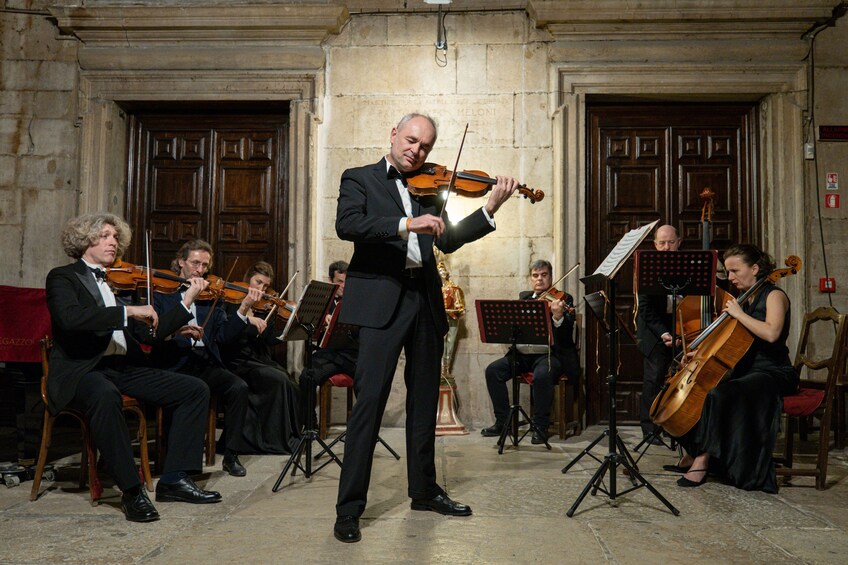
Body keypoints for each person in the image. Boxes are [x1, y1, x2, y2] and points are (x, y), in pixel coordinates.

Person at [332, 112, 518, 543]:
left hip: (424, 299)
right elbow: (348, 225)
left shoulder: (430, 186)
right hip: (381, 301)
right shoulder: (359, 178)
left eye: (426, 146)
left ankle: (423, 489)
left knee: (423, 405)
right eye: (412, 141)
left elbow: (447, 239)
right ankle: (349, 509)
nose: (417, 151)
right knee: (370, 404)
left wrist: (489, 208)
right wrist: (404, 223)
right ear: (393, 134)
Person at [45, 213, 220, 523]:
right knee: (105, 395)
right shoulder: (63, 277)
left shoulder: (117, 282)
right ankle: (131, 491)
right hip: (83, 370)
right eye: (105, 236)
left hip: (121, 367)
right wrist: (126, 312)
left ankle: (175, 479)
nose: (114, 242)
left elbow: (149, 332)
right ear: (86, 240)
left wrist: (187, 300)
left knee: (194, 389)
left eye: (116, 237)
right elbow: (71, 319)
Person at [670, 244, 798, 492]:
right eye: (727, 272)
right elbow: (733, 343)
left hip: (773, 373)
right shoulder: (745, 299)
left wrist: (739, 314)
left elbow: (771, 333)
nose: (730, 278)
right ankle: (694, 451)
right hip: (748, 370)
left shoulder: (774, 296)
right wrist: (700, 355)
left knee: (720, 395)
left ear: (755, 268)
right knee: (698, 393)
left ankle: (703, 461)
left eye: (735, 271)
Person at [150, 239, 262, 477]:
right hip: (173, 361)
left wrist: (243, 309)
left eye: (204, 265)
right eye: (194, 263)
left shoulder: (212, 297)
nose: (199, 270)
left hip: (202, 360)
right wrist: (186, 300)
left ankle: (231, 455)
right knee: (191, 390)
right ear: (181, 262)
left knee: (238, 387)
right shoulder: (162, 293)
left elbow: (223, 337)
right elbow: (156, 333)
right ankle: (176, 458)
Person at [481, 259, 579, 444]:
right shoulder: (524, 298)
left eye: (544, 275)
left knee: (542, 375)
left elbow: (565, 337)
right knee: (493, 371)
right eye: (535, 275)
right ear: (530, 278)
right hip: (523, 355)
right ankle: (503, 422)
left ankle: (540, 426)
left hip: (550, 355)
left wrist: (558, 316)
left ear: (551, 277)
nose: (539, 279)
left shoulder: (563, 299)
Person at [219, 261, 301, 454]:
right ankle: (266, 441)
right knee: (279, 380)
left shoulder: (264, 307)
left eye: (265, 285)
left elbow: (269, 339)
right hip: (236, 360)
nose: (261, 289)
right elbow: (227, 337)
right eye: (258, 282)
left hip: (257, 359)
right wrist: (247, 317)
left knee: (290, 382)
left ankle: (285, 437)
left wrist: (287, 326)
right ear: (248, 279)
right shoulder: (231, 302)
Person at [635, 224, 681, 444]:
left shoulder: (688, 267)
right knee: (653, 379)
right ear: (654, 245)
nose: (666, 247)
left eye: (670, 242)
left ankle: (677, 424)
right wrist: (664, 333)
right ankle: (649, 429)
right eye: (661, 243)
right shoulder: (647, 267)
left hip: (683, 328)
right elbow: (645, 308)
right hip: (654, 330)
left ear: (678, 243)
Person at [298, 260, 357, 427]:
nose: (344, 286)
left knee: (369, 379)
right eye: (339, 282)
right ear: (331, 281)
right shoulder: (322, 302)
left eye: (346, 282)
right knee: (306, 377)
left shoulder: (356, 302)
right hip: (329, 356)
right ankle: (310, 425)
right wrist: (321, 322)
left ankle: (362, 427)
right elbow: (308, 331)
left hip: (351, 356)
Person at [439, 260, 465, 383]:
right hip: (440, 317)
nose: (442, 272)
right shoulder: (436, 289)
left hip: (452, 316)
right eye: (440, 271)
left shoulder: (453, 288)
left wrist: (459, 309)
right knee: (441, 342)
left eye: (444, 270)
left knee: (450, 342)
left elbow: (459, 304)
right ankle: (440, 369)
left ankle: (446, 369)